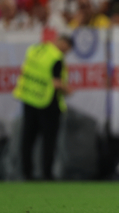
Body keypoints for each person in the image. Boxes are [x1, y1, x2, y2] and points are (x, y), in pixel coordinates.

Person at [13, 35, 74, 180]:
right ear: (64, 43)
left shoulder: (35, 50)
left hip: (29, 98)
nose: (66, 52)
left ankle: (26, 173)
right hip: (48, 103)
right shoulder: (56, 57)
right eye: (68, 48)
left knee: (27, 139)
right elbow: (56, 83)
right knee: (49, 141)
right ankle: (47, 174)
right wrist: (68, 90)